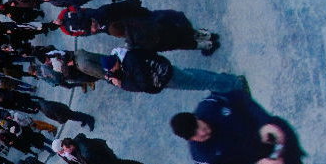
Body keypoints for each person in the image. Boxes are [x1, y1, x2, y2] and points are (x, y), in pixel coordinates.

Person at [170, 89, 326, 164]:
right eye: (197, 135)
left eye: (199, 125)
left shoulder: (211, 105)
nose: (203, 132)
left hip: (276, 141)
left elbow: (241, 99)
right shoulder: (203, 158)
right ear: (190, 139)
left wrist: (264, 123)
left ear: (196, 117)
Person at [98, 49, 245, 94]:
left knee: (198, 82)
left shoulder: (131, 63)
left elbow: (142, 85)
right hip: (164, 70)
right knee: (194, 76)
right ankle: (227, 81)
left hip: (165, 77)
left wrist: (122, 84)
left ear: (115, 64)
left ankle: (235, 84)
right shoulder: (125, 58)